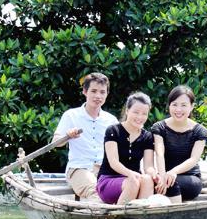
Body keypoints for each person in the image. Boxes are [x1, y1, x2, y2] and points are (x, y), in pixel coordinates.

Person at [53, 72, 118, 200]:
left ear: (106, 94)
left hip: (105, 170)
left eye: (102, 92)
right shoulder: (71, 115)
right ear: (85, 91)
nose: (98, 96)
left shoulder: (111, 120)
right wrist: (67, 136)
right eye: (93, 91)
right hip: (79, 168)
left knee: (124, 189)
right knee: (96, 192)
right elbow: (56, 142)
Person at [149, 85, 207, 203]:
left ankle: (173, 215)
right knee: (148, 182)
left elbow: (193, 159)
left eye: (183, 105)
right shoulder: (159, 127)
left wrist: (173, 172)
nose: (178, 109)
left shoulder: (199, 131)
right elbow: (159, 153)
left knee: (171, 182)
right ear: (169, 105)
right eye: (174, 104)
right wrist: (162, 176)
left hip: (190, 179)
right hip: (164, 176)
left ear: (191, 107)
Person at [96, 92, 155, 204]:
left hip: (135, 180)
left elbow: (149, 167)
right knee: (133, 181)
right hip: (109, 180)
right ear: (127, 111)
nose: (140, 117)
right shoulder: (113, 131)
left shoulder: (147, 136)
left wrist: (154, 175)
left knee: (147, 179)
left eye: (144, 114)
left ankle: (140, 217)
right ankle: (120, 218)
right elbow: (114, 162)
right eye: (136, 112)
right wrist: (131, 174)